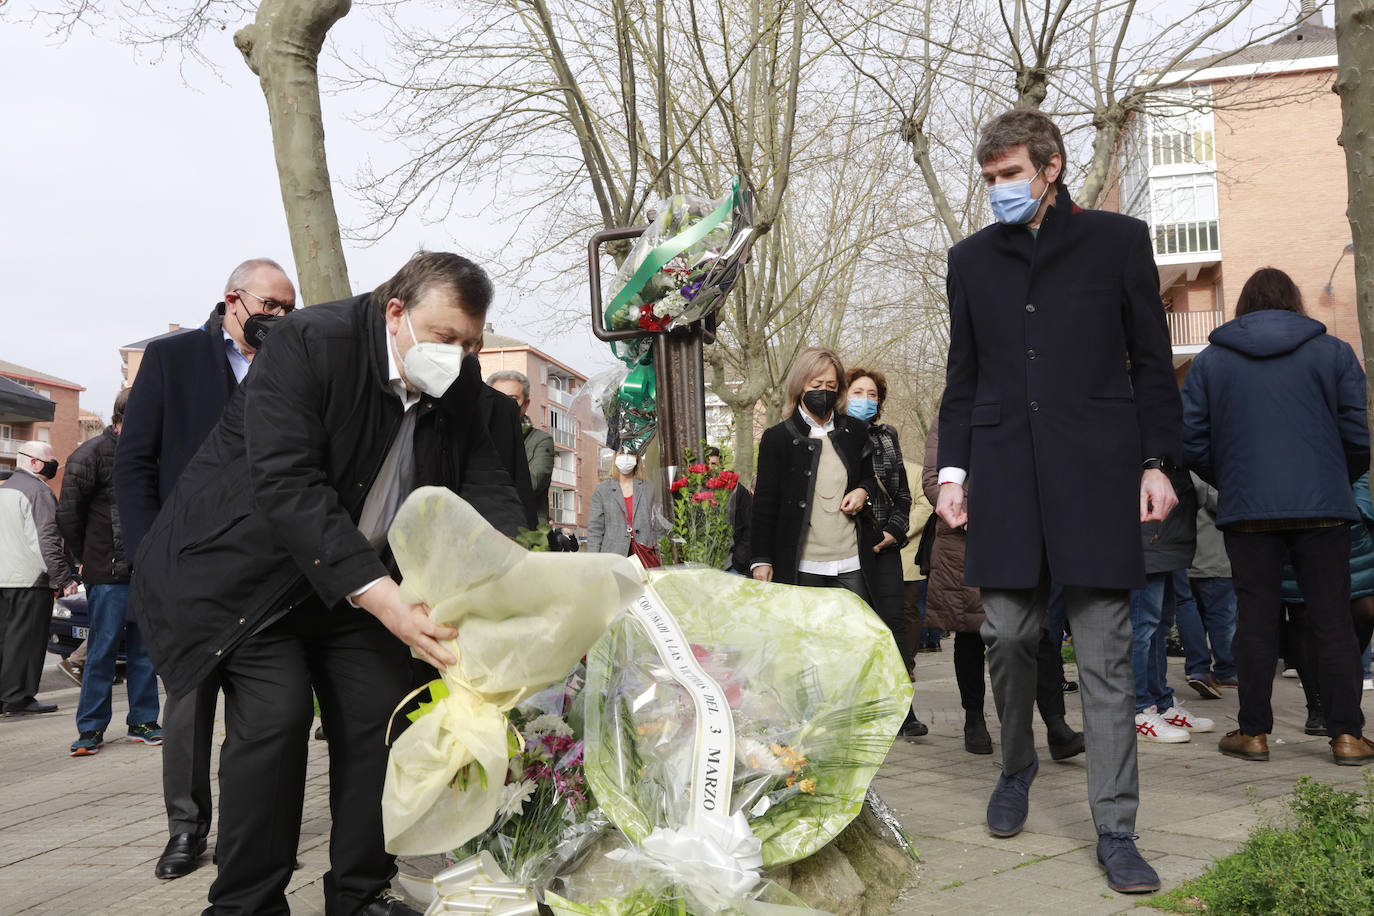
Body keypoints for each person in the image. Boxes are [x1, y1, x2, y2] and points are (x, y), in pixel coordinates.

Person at [131, 251, 527, 916]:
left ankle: (360, 893)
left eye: (469, 344)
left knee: (383, 719)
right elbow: (288, 481)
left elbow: (483, 479)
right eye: (442, 337)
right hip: (252, 580)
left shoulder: (451, 379)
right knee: (275, 722)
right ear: (395, 312)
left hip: (352, 584)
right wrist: (383, 597)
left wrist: (515, 567)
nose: (455, 356)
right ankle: (247, 902)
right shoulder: (310, 345)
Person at [934, 108, 1180, 893]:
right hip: (1005, 474)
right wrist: (952, 475)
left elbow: (1151, 360)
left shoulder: (1118, 241)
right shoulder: (969, 260)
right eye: (990, 179)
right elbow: (962, 375)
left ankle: (1117, 829)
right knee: (1007, 634)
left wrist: (1157, 463)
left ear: (1051, 167)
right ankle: (1015, 767)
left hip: (1099, 473)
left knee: (1105, 657)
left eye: (1010, 175)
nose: (999, 190)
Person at [116, 257, 296, 881]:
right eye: (269, 307)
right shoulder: (173, 360)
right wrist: (147, 559)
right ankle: (185, 831)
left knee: (260, 719)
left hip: (263, 575)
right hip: (183, 572)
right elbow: (135, 463)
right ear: (233, 301)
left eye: (288, 310)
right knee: (187, 712)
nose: (278, 318)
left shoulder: (290, 363)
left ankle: (246, 836)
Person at [1183, 267, 1372, 767]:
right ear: (1295, 301)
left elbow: (1193, 442)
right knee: (1333, 618)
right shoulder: (1333, 352)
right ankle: (1347, 736)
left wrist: (1236, 481)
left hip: (1247, 509)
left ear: (1243, 307)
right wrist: (1337, 479)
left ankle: (1254, 733)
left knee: (1256, 619)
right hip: (1324, 506)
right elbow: (1357, 434)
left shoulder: (1211, 363)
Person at [922, 421, 1084, 759]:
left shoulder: (1024, 407)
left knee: (1041, 631)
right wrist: (972, 509)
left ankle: (1057, 726)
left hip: (1020, 536)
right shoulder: (948, 422)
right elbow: (933, 481)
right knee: (970, 633)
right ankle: (974, 719)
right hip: (964, 540)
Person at [57, 389, 161, 756]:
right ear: (126, 417)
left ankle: (144, 721)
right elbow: (68, 514)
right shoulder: (89, 455)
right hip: (107, 570)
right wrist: (85, 558)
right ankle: (90, 728)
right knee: (100, 651)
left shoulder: (151, 454)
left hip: (146, 569)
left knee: (145, 651)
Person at [845, 368, 926, 738]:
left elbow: (903, 495)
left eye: (873, 394)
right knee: (855, 632)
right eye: (859, 391)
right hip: (846, 548)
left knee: (893, 629)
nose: (866, 399)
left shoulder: (888, 436)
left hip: (885, 549)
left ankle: (901, 711)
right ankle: (858, 711)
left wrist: (894, 531)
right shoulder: (834, 436)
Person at [1279, 473, 1374, 737]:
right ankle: (1319, 704)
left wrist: (1361, 510)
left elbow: (1357, 457)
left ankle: (1346, 696)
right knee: (1303, 616)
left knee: (1365, 610)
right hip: (1291, 519)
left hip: (1347, 520)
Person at [1128, 466, 1213, 743]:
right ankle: (1140, 709)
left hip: (1172, 528)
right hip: (1149, 527)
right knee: (1143, 626)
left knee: (1161, 623)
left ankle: (1160, 701)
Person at [0, 442, 79, 716]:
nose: (54, 463)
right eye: (51, 459)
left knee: (6, 639)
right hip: (29, 580)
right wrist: (64, 579)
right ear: (33, 462)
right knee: (28, 641)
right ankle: (18, 698)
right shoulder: (39, 492)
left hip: (4, 578)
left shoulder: (5, 489)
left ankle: (5, 697)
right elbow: (47, 541)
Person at [1176, 474, 1239, 700]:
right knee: (1222, 618)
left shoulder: (1176, 468)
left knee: (1191, 614)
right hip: (1213, 557)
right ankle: (1226, 669)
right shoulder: (1206, 472)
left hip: (1184, 558)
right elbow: (1222, 503)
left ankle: (1196, 667)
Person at [487, 369, 555, 526]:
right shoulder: (478, 437)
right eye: (498, 397)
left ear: (526, 404)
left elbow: (531, 484)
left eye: (512, 398)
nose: (503, 403)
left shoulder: (541, 440)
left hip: (527, 530)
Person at [586, 451, 668, 558]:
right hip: (613, 556)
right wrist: (593, 560)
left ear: (637, 458)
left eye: (630, 453)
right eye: (621, 453)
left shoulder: (648, 487)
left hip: (645, 554)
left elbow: (658, 526)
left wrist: (663, 556)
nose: (625, 458)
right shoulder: (602, 489)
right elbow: (595, 530)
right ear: (615, 457)